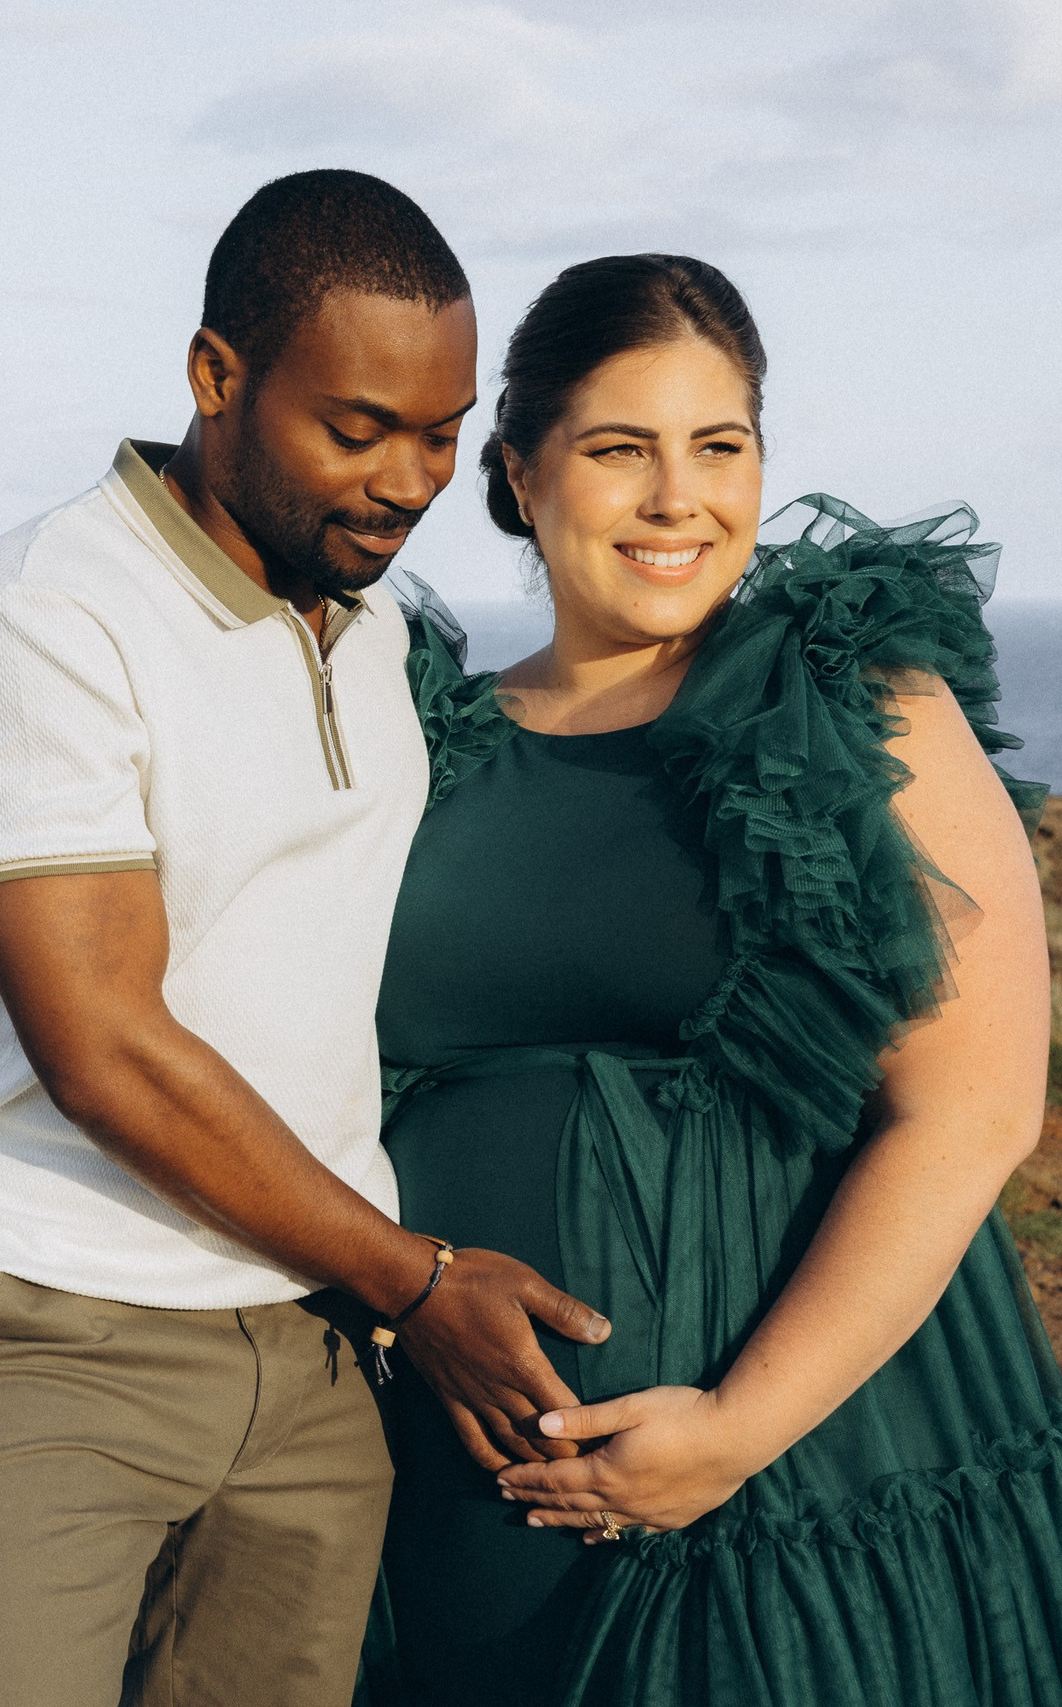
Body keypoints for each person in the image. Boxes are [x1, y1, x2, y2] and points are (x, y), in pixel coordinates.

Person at [0, 169, 610, 1707]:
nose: (406, 480)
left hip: (320, 1360)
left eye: (440, 433)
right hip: (61, 1324)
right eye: (358, 428)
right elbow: (105, 1048)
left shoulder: (381, 629)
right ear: (216, 376)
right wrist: (417, 1281)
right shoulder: (52, 607)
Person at [369, 253, 1062, 1706]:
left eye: (720, 446)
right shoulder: (421, 739)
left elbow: (975, 1109)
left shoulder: (854, 701)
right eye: (622, 450)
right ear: (520, 472)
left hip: (793, 1479)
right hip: (445, 1483)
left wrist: (737, 1430)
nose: (680, 498)